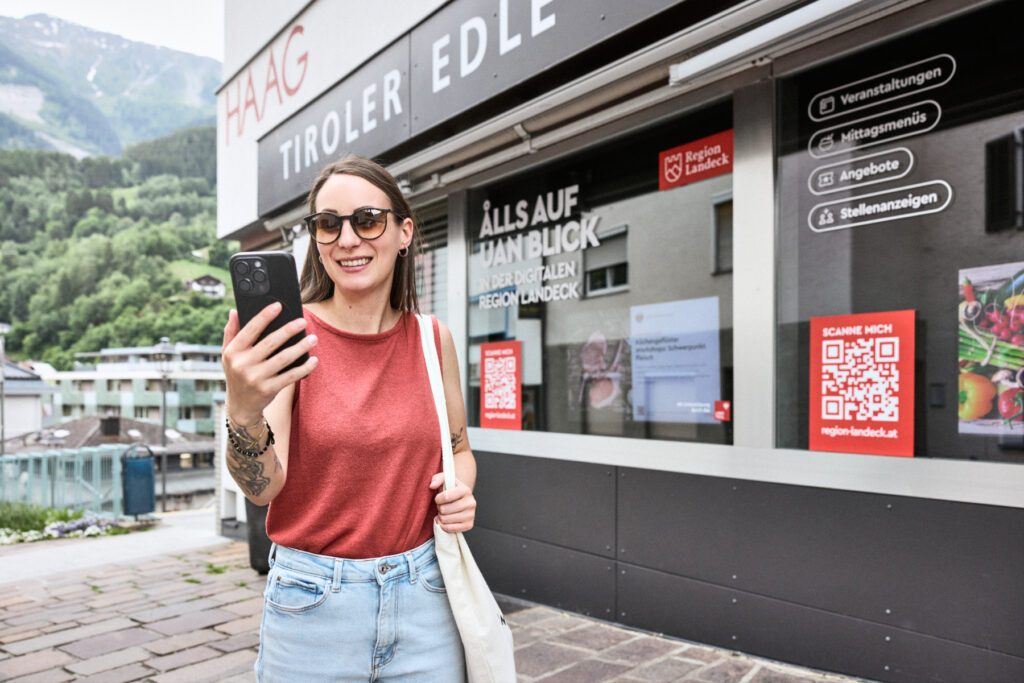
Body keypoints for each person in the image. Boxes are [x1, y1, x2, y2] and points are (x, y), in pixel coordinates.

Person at [221, 156, 476, 682]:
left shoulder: (433, 339)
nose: (347, 239)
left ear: (404, 231)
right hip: (314, 602)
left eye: (366, 219)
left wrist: (461, 494)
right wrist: (243, 412)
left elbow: (459, 450)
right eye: (327, 224)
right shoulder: (292, 340)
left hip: (426, 593)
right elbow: (263, 488)